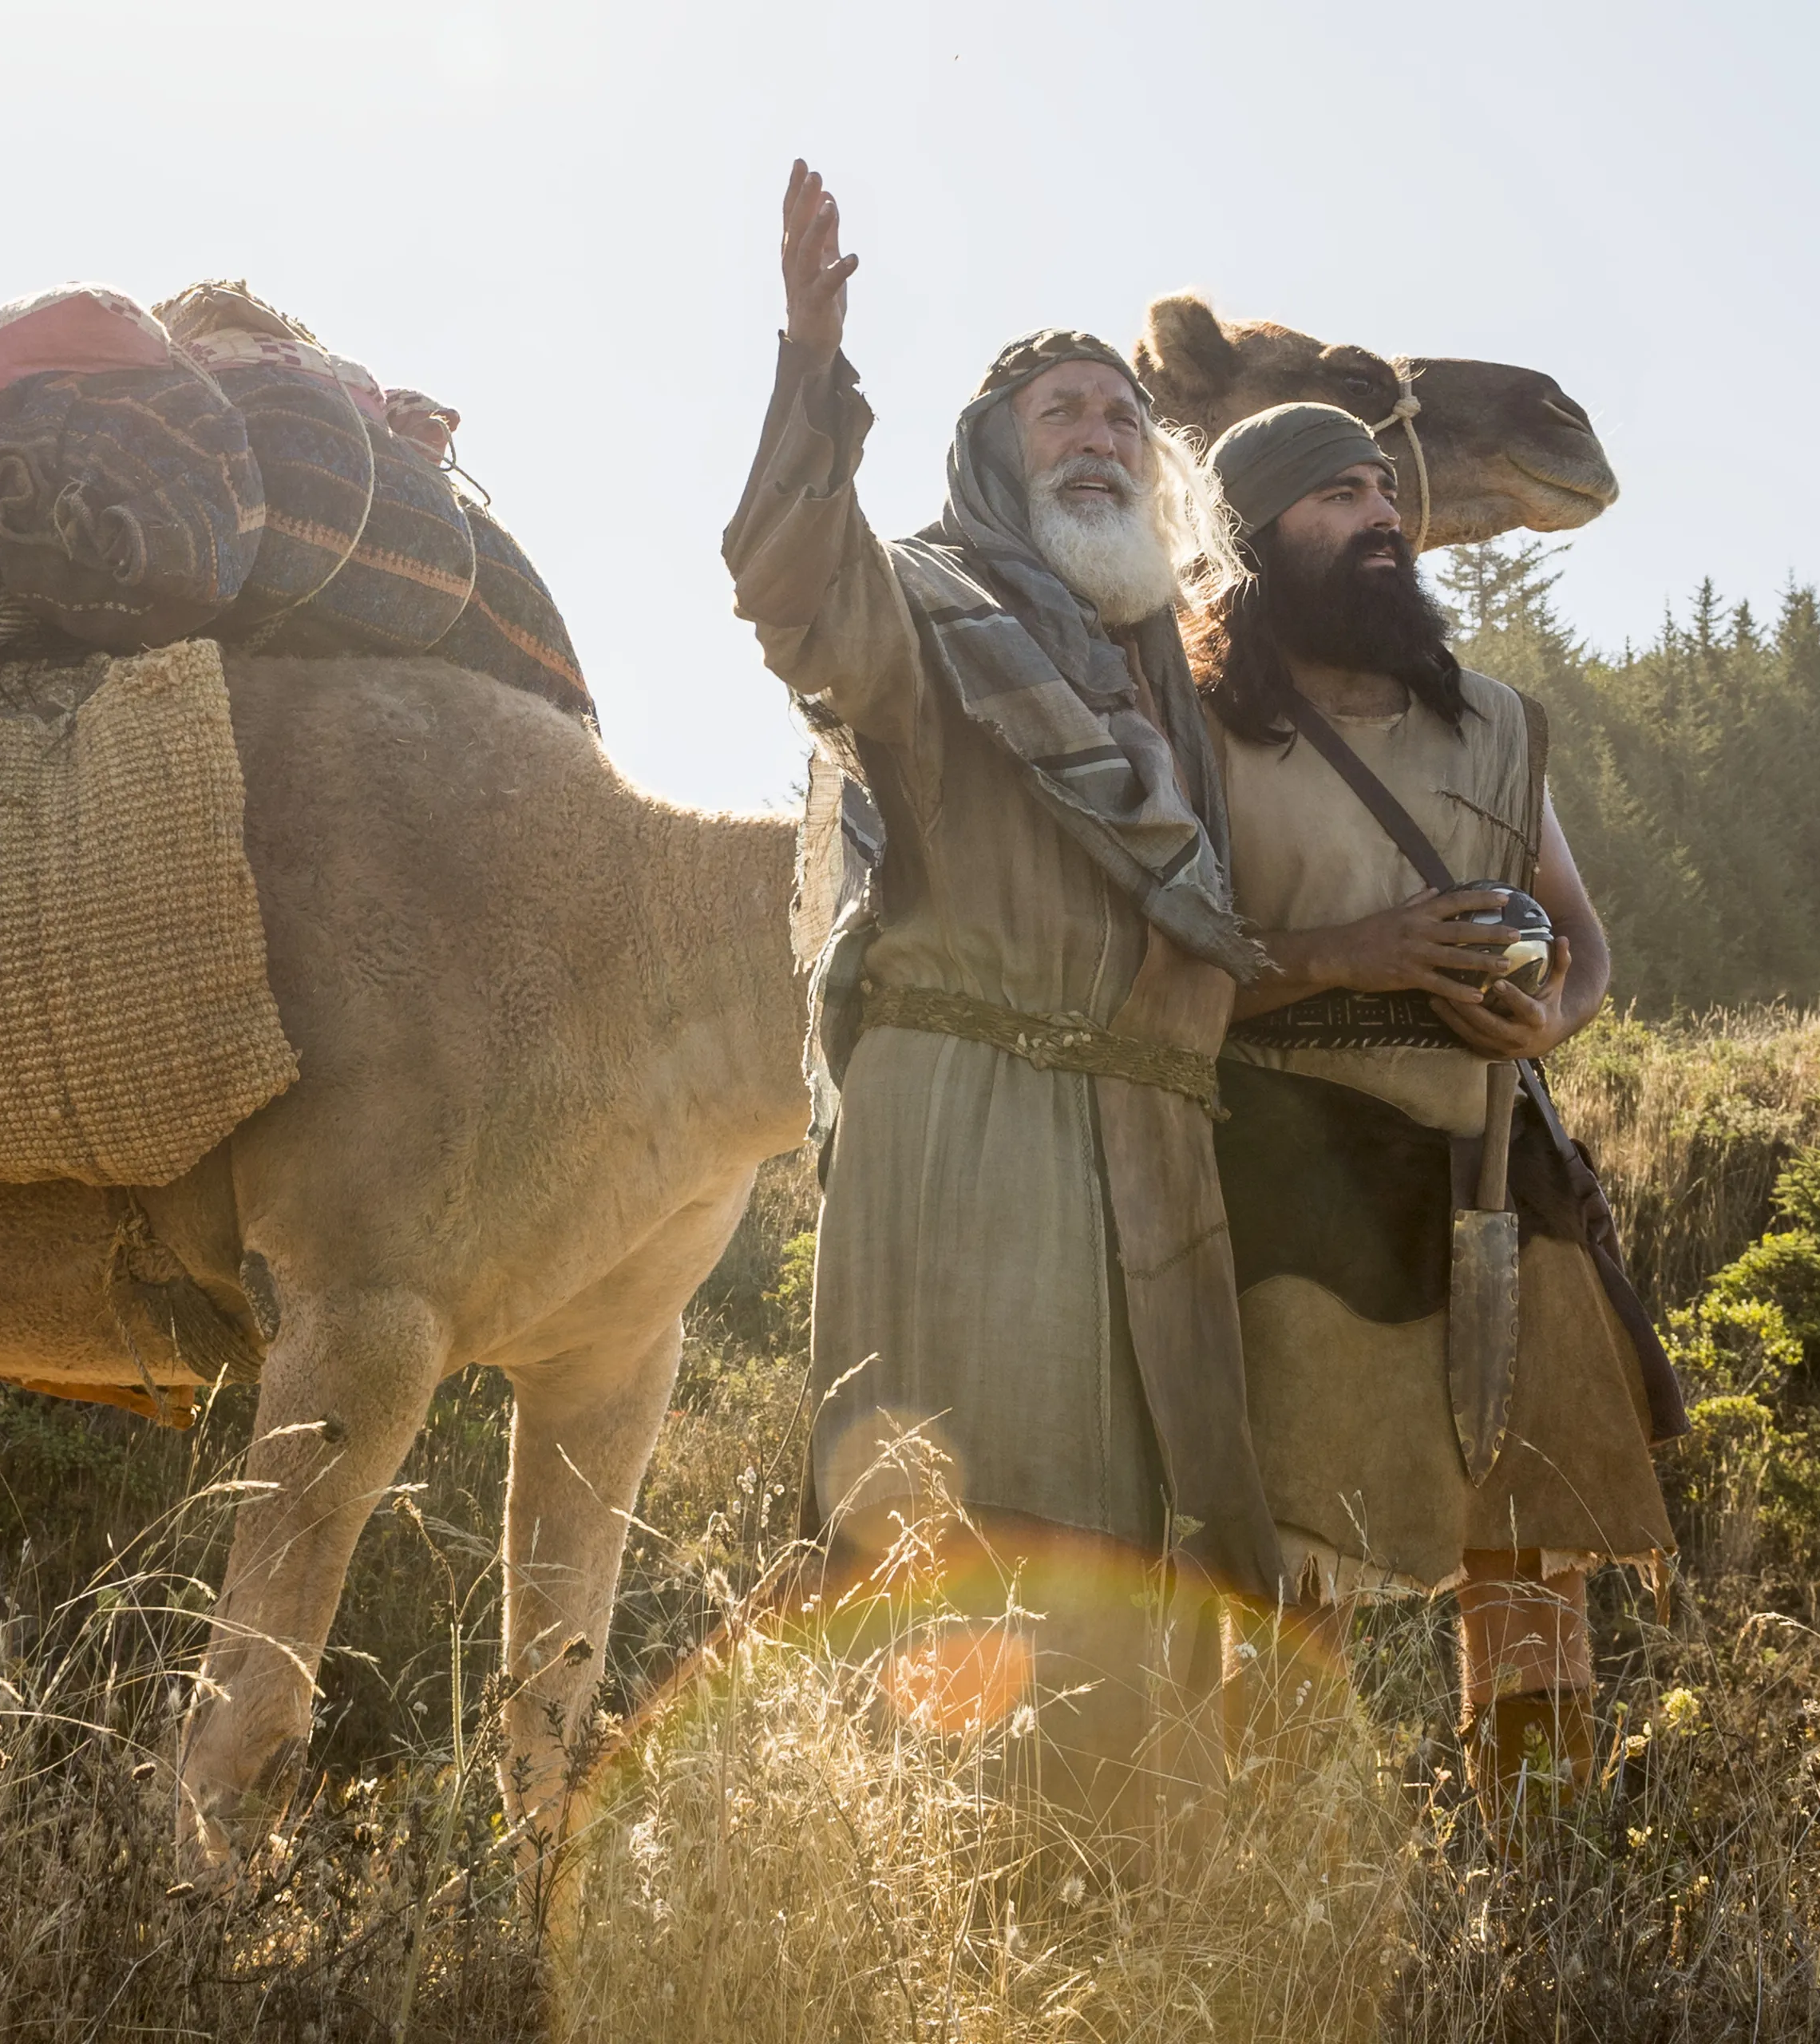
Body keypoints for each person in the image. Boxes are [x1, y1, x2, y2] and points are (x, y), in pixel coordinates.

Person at [723, 162, 1279, 1825]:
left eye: (1122, 415)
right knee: (966, 1524)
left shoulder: (1166, 680)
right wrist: (810, 364)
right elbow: (796, 590)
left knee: (1122, 1528)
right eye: (1059, 410)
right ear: (993, 452)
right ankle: (934, 1889)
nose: (1100, 434)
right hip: (966, 1123)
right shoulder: (938, 616)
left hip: (1138, 1145)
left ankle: (1081, 1890)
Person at [1192, 401, 1685, 1800]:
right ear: (1256, 537)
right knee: (1306, 1551)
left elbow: (1583, 947)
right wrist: (1356, 953)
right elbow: (1158, 971)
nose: (1381, 519)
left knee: (1532, 1538)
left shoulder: (1494, 727)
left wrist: (1547, 1012)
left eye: (1384, 493)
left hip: (1493, 1165)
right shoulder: (1199, 737)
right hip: (1292, 1170)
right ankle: (1286, 1883)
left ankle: (1541, 1859)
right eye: (1338, 497)